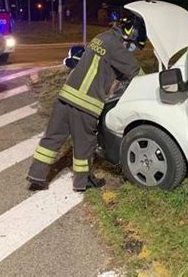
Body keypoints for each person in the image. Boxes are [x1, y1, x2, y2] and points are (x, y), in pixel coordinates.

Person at [27, 15, 147, 192]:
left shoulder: (102, 38)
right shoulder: (117, 47)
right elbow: (137, 73)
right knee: (84, 144)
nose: (132, 49)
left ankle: (36, 174)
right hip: (85, 103)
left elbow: (105, 66)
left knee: (52, 137)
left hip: (66, 97)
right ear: (130, 34)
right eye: (134, 45)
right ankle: (82, 182)